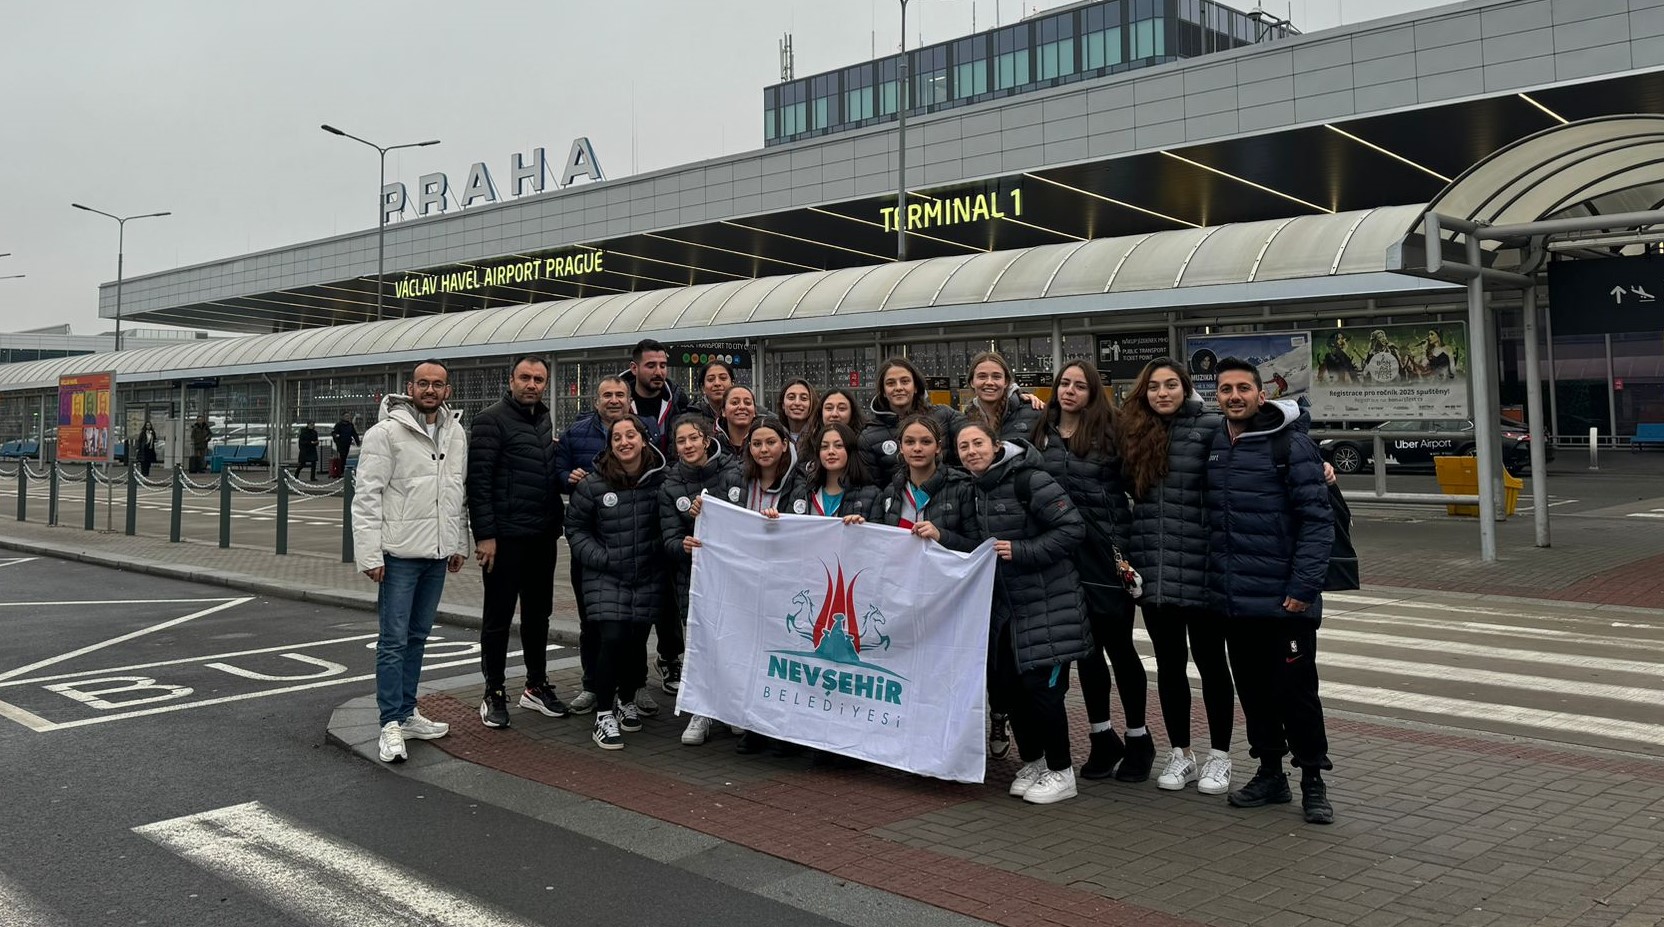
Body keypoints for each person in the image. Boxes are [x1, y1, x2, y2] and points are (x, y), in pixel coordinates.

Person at [1207, 357, 1336, 825]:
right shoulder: (1215, 442)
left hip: (1286, 600)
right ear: (1216, 396)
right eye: (1226, 389)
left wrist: (1303, 588)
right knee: (1254, 692)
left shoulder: (1290, 444)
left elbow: (1317, 522)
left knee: (1297, 694)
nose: (1234, 396)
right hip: (1235, 598)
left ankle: (1313, 781)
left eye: (1243, 388)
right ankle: (1270, 774)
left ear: (1262, 395)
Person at [957, 421, 1088, 805]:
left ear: (996, 445)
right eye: (963, 447)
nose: (971, 452)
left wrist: (1022, 550)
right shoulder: (974, 490)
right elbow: (976, 545)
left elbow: (1072, 528)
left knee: (1042, 691)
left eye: (977, 443)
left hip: (1048, 603)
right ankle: (1034, 761)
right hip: (1006, 609)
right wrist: (939, 535)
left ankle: (1062, 771)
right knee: (1011, 691)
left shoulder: (1030, 479)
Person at [1030, 360, 1146, 782]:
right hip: (1062, 556)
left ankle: (1139, 739)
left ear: (1093, 392)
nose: (1070, 391)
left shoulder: (1111, 433)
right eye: (1064, 383)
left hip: (1106, 555)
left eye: (1080, 386)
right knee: (1086, 652)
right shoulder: (1040, 431)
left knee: (1120, 648)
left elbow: (1141, 484)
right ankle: (1102, 737)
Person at [351, 359, 469, 763]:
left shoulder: (455, 432)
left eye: (438, 384)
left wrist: (458, 543)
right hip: (399, 555)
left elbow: (457, 492)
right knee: (393, 641)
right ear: (410, 388)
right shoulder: (385, 433)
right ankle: (389, 722)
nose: (430, 390)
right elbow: (367, 496)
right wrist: (370, 555)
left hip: (436, 555)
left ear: (447, 391)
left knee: (417, 637)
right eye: (423, 383)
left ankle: (406, 712)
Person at [1118, 358, 1228, 791]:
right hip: (1154, 569)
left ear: (1186, 388)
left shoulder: (1211, 426)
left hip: (1201, 567)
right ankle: (1181, 753)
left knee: (1212, 664)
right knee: (1168, 665)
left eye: (1170, 385)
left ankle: (1220, 756)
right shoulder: (1133, 432)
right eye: (1153, 387)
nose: (1162, 393)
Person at [467, 355, 568, 729]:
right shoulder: (490, 420)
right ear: (511, 381)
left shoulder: (543, 419)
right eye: (525, 377)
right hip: (505, 539)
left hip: (542, 536)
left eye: (538, 379)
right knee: (498, 618)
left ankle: (536, 685)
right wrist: (485, 536)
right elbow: (479, 483)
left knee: (538, 615)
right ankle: (493, 691)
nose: (532, 384)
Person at [565, 415, 668, 750]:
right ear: (610, 445)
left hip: (647, 576)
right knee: (612, 638)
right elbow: (576, 529)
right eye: (617, 437)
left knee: (636, 642)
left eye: (631, 435)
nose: (624, 442)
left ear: (644, 439)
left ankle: (626, 699)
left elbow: (671, 523)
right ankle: (604, 714)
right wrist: (604, 558)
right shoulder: (593, 484)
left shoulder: (661, 480)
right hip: (606, 576)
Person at [659, 413, 744, 746]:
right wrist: (682, 544)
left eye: (694, 438)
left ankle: (732, 708)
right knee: (701, 643)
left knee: (733, 642)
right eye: (681, 441)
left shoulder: (734, 471)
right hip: (692, 579)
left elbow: (744, 518)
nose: (688, 445)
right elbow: (668, 539)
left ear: (707, 440)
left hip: (733, 576)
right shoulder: (669, 485)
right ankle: (701, 711)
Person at [554, 376, 632, 716]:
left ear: (629, 400)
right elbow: (557, 471)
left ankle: (631, 689)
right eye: (607, 395)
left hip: (630, 544)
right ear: (596, 400)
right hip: (590, 546)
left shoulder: (642, 431)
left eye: (620, 395)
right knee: (591, 621)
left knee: (631, 622)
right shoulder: (576, 434)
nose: (614, 400)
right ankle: (591, 685)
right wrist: (567, 478)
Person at [732, 418, 805, 756]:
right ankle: (755, 726)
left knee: (784, 659)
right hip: (747, 583)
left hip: (785, 584)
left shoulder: (800, 483)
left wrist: (783, 524)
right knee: (752, 656)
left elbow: (806, 527)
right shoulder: (736, 479)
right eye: (757, 444)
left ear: (784, 445)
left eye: (771, 443)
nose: (764, 450)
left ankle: (788, 731)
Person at [874, 414, 980, 553]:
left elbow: (978, 548)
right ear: (901, 447)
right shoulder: (891, 491)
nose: (917, 448)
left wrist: (941, 536)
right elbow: (879, 543)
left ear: (938, 447)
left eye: (926, 442)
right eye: (910, 442)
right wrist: (857, 526)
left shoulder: (961, 487)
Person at [860, 357, 966, 489]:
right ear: (883, 392)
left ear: (915, 387)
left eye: (905, 381)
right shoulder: (869, 437)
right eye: (891, 383)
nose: (899, 388)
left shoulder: (944, 415)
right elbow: (871, 489)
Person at [783, 422, 879, 521]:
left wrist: (861, 527)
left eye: (838, 445)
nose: (831, 451)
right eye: (824, 447)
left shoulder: (871, 496)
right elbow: (788, 528)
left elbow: (878, 529)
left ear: (850, 450)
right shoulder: (802, 493)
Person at [621, 338, 690, 451]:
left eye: (662, 366)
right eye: (651, 366)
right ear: (634, 368)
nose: (658, 372)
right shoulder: (618, 402)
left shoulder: (679, 402)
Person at [964, 352, 1040, 441]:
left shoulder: (1034, 413)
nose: (989, 382)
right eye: (982, 377)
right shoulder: (963, 422)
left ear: (1006, 382)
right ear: (972, 382)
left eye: (996, 377)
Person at [800, 387, 866, 463]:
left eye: (841, 408)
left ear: (852, 413)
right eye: (829, 408)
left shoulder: (864, 444)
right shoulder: (810, 443)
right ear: (821, 413)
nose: (834, 414)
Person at [714, 385, 760, 459]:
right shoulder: (712, 445)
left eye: (747, 403)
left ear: (754, 411)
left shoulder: (766, 443)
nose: (742, 407)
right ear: (723, 411)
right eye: (735, 403)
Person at [775, 379, 818, 448]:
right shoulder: (774, 435)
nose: (797, 403)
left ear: (812, 404)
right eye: (791, 398)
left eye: (804, 398)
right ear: (783, 404)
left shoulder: (821, 436)